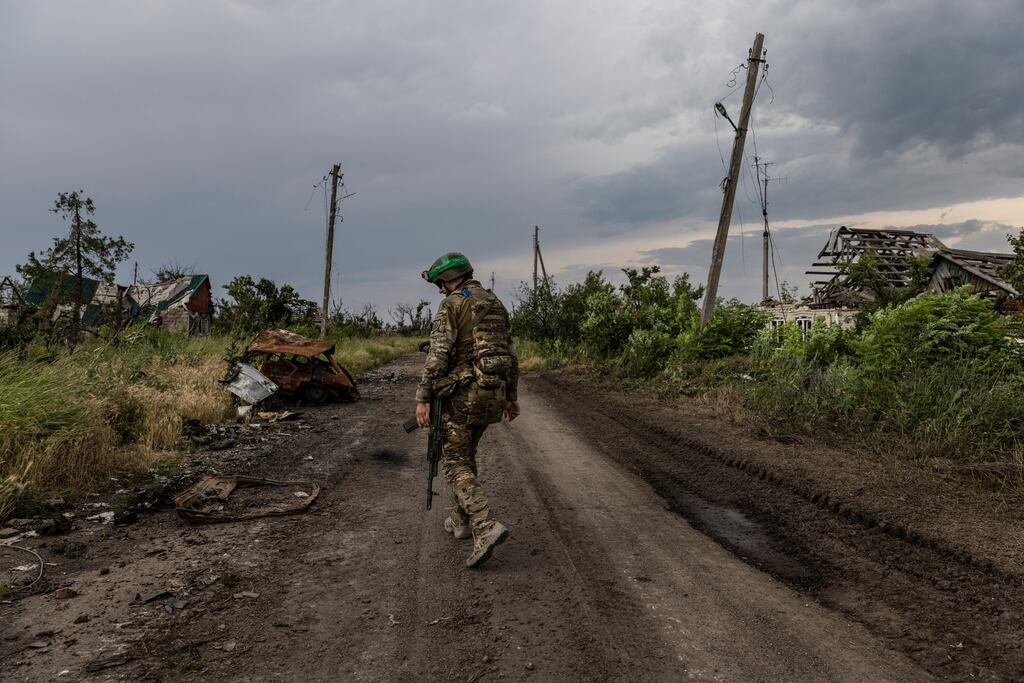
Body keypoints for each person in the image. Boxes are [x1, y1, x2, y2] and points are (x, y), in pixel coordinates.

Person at [416, 252, 520, 568]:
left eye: (440, 283)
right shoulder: (495, 303)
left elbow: (437, 356)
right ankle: (459, 522)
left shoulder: (452, 305)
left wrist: (423, 397)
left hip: (464, 395)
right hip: (495, 394)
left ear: (452, 278)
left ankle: (485, 525)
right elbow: (511, 354)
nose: (439, 290)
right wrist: (512, 396)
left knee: (455, 461)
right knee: (467, 453)